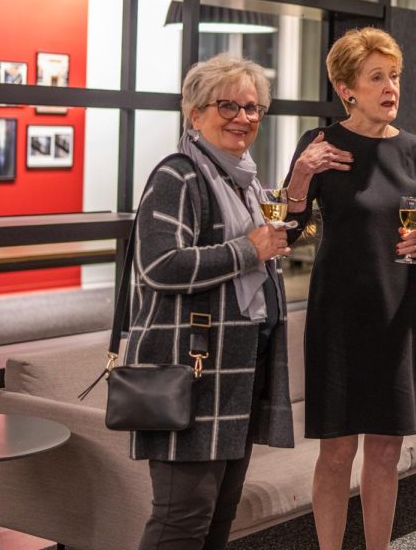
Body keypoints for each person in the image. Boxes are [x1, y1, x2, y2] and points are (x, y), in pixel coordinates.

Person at [283, 27, 416, 550]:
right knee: (335, 453)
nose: (390, 87)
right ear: (346, 88)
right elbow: (288, 230)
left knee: (385, 450)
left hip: (398, 316)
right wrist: (300, 179)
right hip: (338, 316)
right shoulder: (319, 145)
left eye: (394, 75)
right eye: (377, 77)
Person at [126, 54, 293, 550]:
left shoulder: (245, 181)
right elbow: (160, 266)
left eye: (253, 107)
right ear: (194, 113)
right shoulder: (179, 176)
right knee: (182, 522)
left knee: (218, 520)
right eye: (228, 106)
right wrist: (251, 250)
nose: (243, 118)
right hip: (193, 373)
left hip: (238, 373)